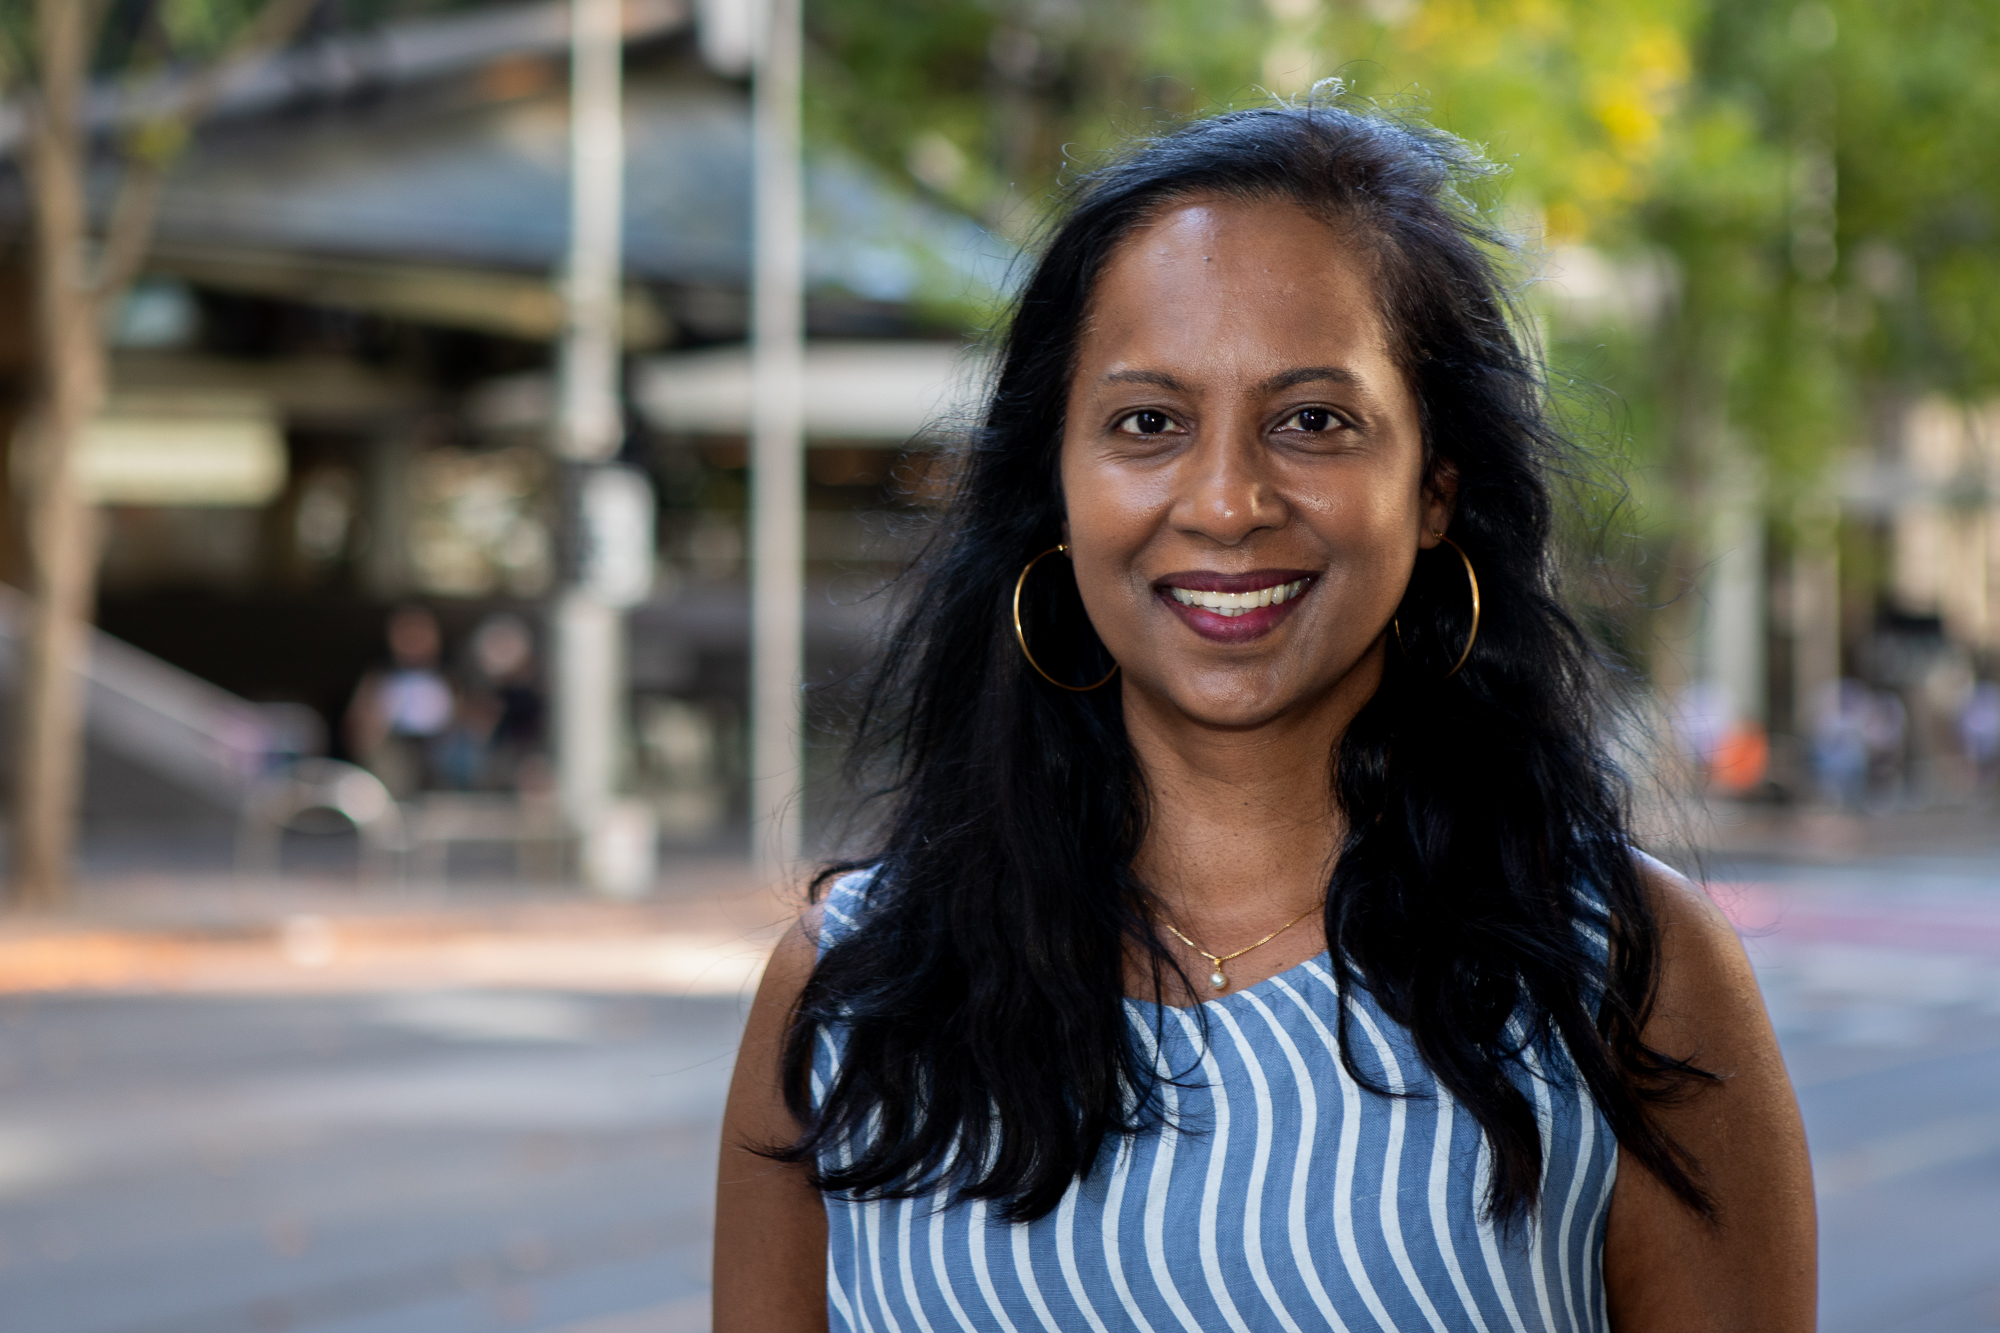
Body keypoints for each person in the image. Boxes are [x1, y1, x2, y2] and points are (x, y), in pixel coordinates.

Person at [716, 99, 1813, 1331]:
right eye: (1147, 423)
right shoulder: (850, 992)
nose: (1226, 502)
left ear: (1433, 488)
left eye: (1311, 421)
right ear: (1054, 489)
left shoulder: (1621, 970)